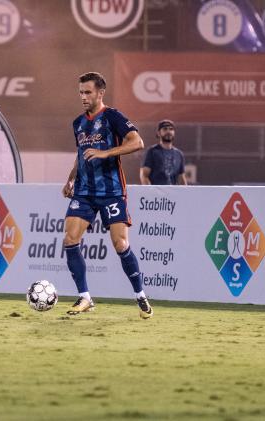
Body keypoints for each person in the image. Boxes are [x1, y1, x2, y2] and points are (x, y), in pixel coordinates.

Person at [62, 71, 153, 319]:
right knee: (70, 240)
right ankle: (85, 297)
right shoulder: (78, 123)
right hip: (84, 191)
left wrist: (105, 153)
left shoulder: (112, 117)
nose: (83, 97)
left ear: (100, 93)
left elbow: (137, 142)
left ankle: (140, 295)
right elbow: (81, 153)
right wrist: (71, 177)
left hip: (111, 192)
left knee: (120, 244)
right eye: (80, 92)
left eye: (88, 92)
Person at [140, 119, 187, 186]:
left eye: (171, 129)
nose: (168, 131)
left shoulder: (179, 154)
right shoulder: (152, 151)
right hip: (157, 194)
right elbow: (144, 175)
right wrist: (150, 193)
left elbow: (181, 178)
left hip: (173, 194)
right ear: (159, 133)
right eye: (165, 129)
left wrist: (185, 193)